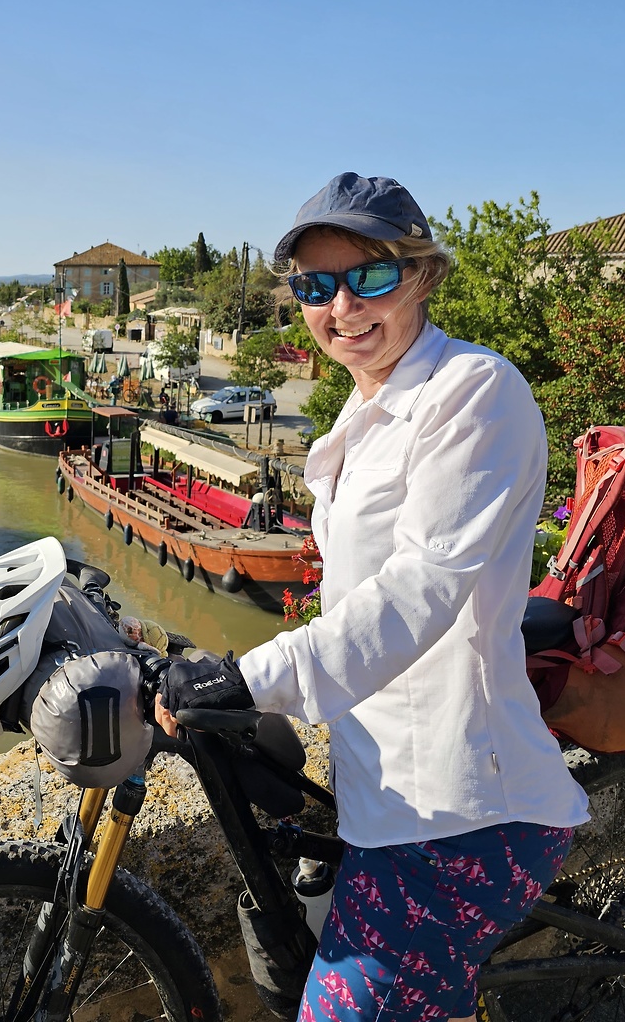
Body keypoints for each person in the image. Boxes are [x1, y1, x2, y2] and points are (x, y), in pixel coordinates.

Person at [156, 173, 589, 1022]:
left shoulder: (475, 391)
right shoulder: (364, 410)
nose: (342, 304)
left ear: (424, 275)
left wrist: (254, 673)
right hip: (381, 797)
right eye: (316, 286)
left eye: (371, 276)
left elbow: (422, 587)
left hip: (460, 811)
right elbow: (356, 599)